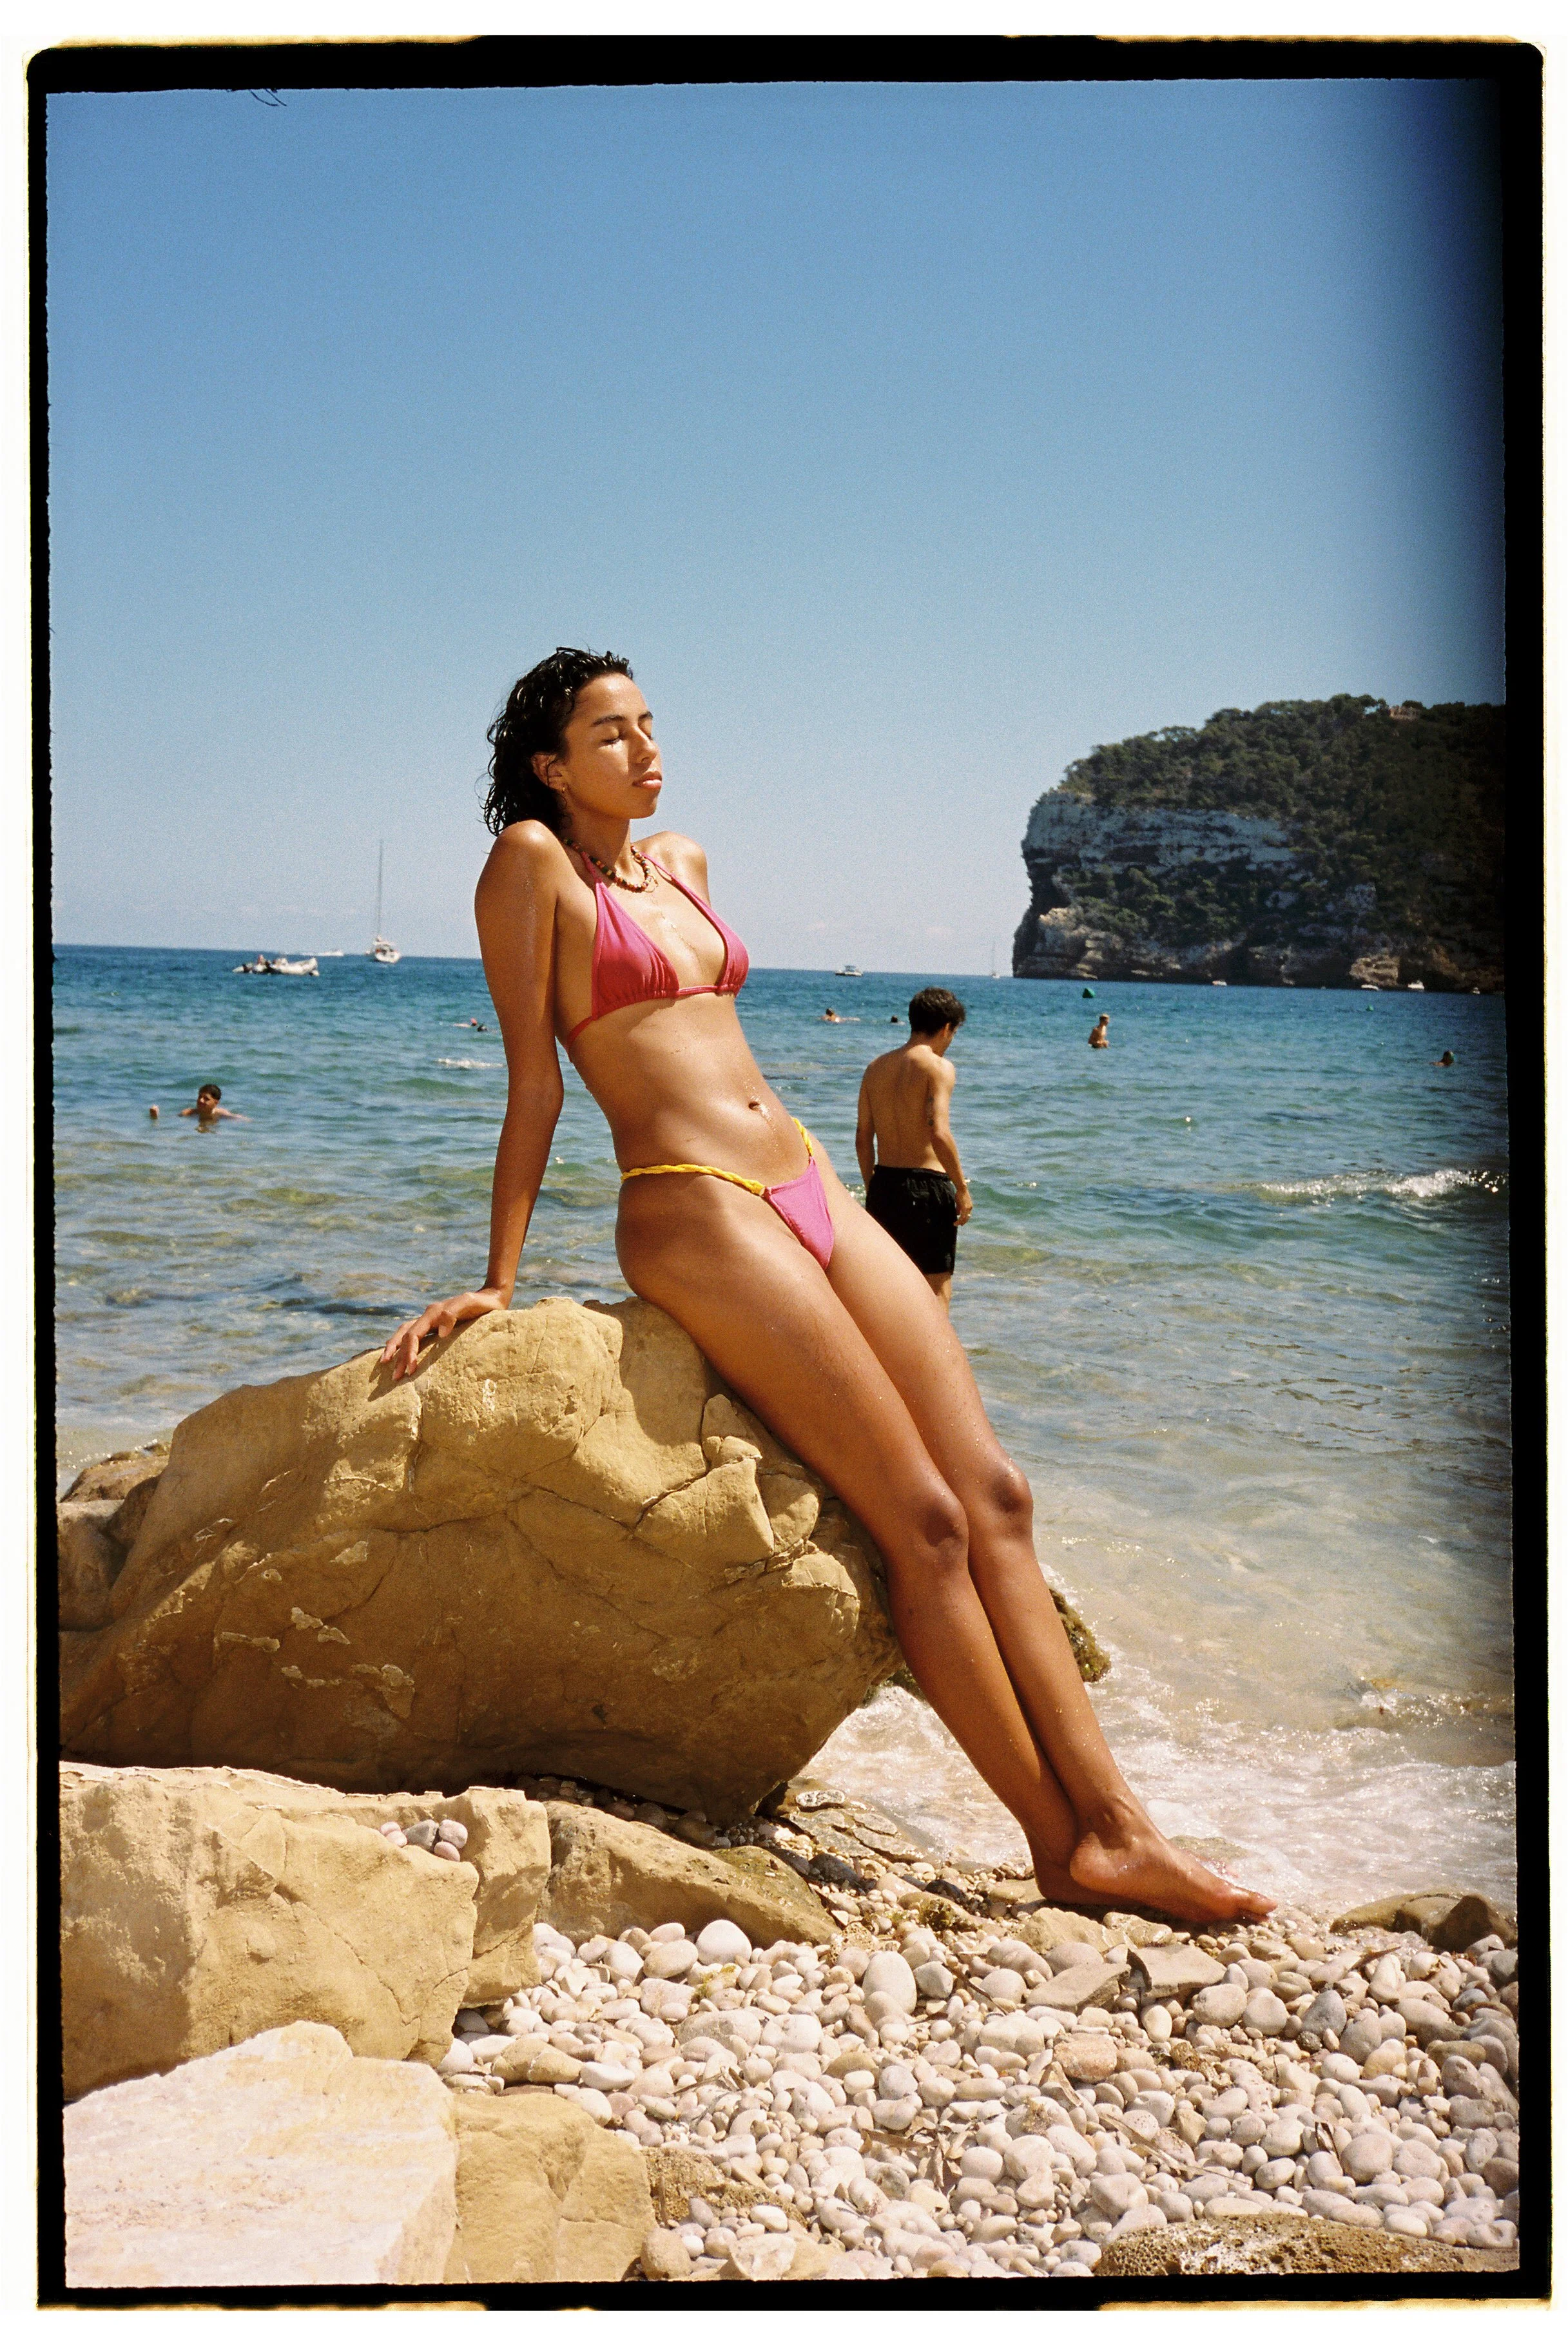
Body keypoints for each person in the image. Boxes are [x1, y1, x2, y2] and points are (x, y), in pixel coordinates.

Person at [381, 648, 1270, 1925]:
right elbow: (535, 1084)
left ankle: (1123, 1829)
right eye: (610, 733)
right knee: (923, 1522)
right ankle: (1054, 1844)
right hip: (691, 1198)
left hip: (804, 1178)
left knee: (997, 1497)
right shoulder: (529, 864)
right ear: (548, 763)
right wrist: (496, 1280)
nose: (644, 748)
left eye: (648, 723)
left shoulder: (679, 863)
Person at [855, 988, 973, 1310]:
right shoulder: (938, 1067)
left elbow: (864, 1136)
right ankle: (936, 1360)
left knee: (889, 1290)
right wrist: (961, 1188)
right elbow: (939, 1131)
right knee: (936, 1291)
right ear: (948, 1028)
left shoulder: (875, 1068)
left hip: (884, 1186)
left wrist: (872, 1185)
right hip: (928, 1190)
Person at [178, 1084, 246, 1123]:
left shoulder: (220, 1113)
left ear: (216, 1102)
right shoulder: (188, 1113)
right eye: (200, 1097)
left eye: (206, 1099)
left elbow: (236, 1118)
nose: (201, 1101)